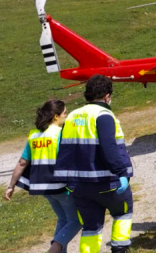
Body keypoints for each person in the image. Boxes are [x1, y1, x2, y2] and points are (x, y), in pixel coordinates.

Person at [53, 74, 133, 253]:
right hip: (107, 182)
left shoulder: (72, 116)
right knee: (123, 213)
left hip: (79, 186)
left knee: (91, 227)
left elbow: (64, 149)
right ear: (107, 96)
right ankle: (120, 250)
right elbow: (109, 147)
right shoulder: (103, 115)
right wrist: (122, 173)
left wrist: (65, 179)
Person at [4, 100, 81, 253]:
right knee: (76, 221)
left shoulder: (34, 136)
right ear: (55, 117)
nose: (66, 116)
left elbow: (22, 162)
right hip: (61, 186)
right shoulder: (62, 134)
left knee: (63, 219)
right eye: (65, 113)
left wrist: (10, 186)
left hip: (43, 188)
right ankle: (54, 249)